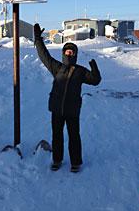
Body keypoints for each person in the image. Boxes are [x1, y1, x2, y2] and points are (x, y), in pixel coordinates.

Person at [33, 23, 101, 172]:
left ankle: (75, 163)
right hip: (57, 108)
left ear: (75, 54)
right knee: (57, 136)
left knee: (74, 137)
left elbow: (96, 81)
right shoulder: (57, 67)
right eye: (67, 52)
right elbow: (44, 55)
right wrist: (38, 39)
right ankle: (57, 160)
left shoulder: (80, 71)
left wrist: (94, 68)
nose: (69, 54)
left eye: (72, 52)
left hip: (72, 110)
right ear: (64, 54)